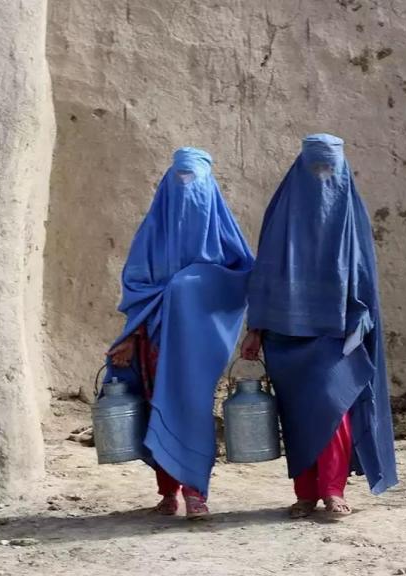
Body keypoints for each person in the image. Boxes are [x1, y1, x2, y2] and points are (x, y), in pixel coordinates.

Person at [241, 133, 398, 518]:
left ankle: (332, 489)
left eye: (330, 168)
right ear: (301, 168)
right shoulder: (282, 214)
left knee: (333, 406)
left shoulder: (351, 214)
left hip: (337, 332)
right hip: (285, 334)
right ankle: (306, 493)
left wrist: (361, 320)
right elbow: (265, 274)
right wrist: (256, 328)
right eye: (316, 168)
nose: (322, 177)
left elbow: (363, 275)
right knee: (296, 417)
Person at [105, 147, 254, 519]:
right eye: (180, 180)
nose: (187, 189)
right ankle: (167, 492)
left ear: (210, 189)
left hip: (199, 347)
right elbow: (137, 288)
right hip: (152, 342)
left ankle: (196, 492)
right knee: (157, 407)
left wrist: (190, 284)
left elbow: (241, 280)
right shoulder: (151, 235)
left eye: (194, 182)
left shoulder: (224, 238)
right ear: (167, 185)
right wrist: (131, 335)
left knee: (191, 410)